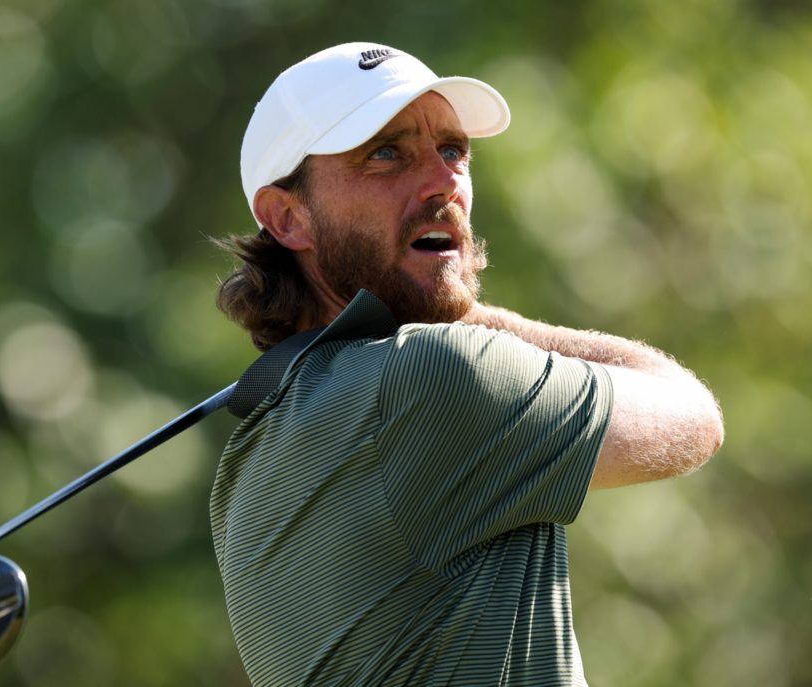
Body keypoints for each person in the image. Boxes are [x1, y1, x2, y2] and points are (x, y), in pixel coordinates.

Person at [210, 42, 724, 686]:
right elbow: (692, 414)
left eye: (453, 151)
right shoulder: (430, 378)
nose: (443, 181)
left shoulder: (245, 466)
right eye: (386, 154)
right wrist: (465, 312)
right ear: (289, 217)